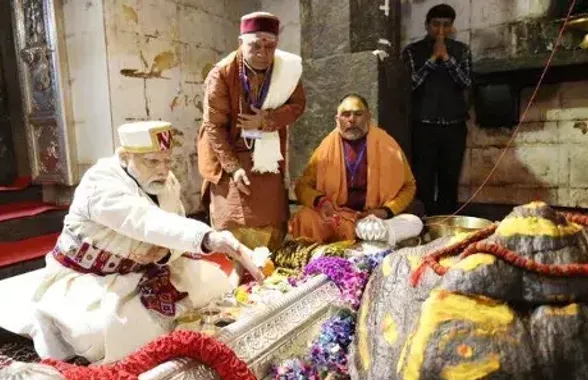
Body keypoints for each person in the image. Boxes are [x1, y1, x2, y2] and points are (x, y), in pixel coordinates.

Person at [31, 121, 263, 364]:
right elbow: (144, 220)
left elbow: (175, 228)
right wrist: (209, 238)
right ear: (125, 156)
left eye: (167, 161)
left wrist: (163, 255)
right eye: (152, 162)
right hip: (89, 278)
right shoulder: (99, 183)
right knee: (93, 335)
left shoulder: (166, 181)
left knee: (214, 286)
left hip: (144, 271)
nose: (163, 170)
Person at [197, 11, 306, 252]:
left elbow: (298, 104)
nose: (263, 53)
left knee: (272, 212)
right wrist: (233, 168)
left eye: (270, 46)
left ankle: (268, 260)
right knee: (232, 212)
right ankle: (237, 263)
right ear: (241, 43)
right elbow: (214, 125)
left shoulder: (285, 69)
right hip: (228, 148)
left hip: (267, 149)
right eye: (255, 45)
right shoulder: (222, 72)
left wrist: (265, 120)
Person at [289, 94, 416, 243]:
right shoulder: (326, 147)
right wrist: (322, 202)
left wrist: (386, 211)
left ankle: (363, 238)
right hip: (337, 217)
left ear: (368, 117)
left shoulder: (387, 145)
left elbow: (409, 186)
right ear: (337, 120)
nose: (351, 119)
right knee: (305, 217)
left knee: (413, 222)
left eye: (358, 114)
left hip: (372, 219)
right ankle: (353, 241)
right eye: (345, 114)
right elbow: (303, 185)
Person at [402, 3, 472, 216]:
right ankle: (425, 225)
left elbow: (465, 82)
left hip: (454, 125)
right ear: (427, 25)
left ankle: (447, 224)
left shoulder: (461, 50)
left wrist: (447, 59)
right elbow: (409, 85)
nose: (441, 30)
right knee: (423, 179)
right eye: (436, 24)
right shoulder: (412, 52)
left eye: (446, 25)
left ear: (452, 26)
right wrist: (433, 59)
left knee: (449, 179)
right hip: (423, 125)